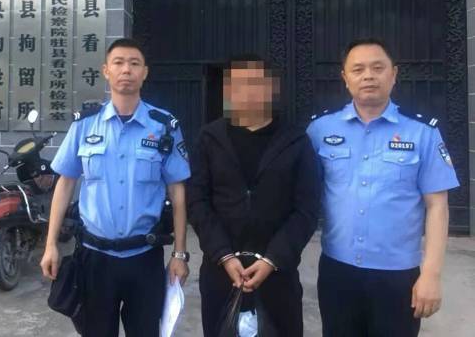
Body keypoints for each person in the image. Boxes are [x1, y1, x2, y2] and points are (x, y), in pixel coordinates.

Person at [306, 38, 460, 337]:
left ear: (394, 74)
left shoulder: (422, 132)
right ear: (345, 78)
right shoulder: (320, 130)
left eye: (378, 68)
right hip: (338, 271)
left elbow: (437, 206)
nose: (368, 76)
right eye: (358, 69)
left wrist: (431, 274)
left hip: (398, 275)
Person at [40, 37, 190, 337]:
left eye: (134, 64)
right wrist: (50, 244)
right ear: (106, 71)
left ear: (144, 73)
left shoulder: (163, 126)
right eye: (118, 63)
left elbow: (178, 192)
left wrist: (180, 254)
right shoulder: (85, 125)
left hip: (144, 257)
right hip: (94, 259)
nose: (126, 70)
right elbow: (65, 183)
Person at [187, 57, 321, 337]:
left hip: (278, 273)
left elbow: (306, 209)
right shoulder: (209, 138)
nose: (247, 91)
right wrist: (223, 254)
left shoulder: (295, 141)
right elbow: (197, 201)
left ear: (272, 88)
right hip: (222, 272)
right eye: (238, 84)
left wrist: (273, 258)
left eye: (256, 83)